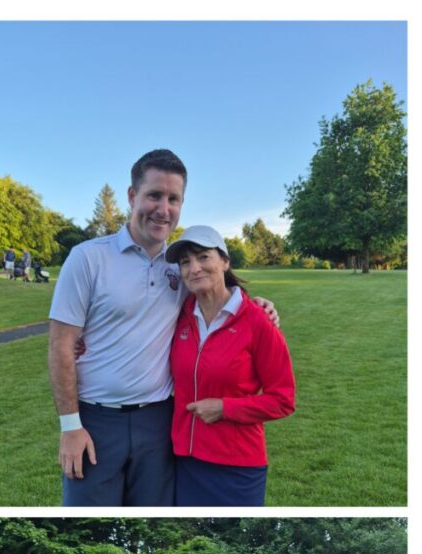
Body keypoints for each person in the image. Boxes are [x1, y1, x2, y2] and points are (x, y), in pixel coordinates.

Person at [48, 150, 280, 507]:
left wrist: (259, 304)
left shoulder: (179, 266)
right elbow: (61, 346)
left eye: (174, 199)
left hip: (160, 422)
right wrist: (69, 426)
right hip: (96, 421)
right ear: (132, 196)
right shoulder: (88, 258)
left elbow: (219, 292)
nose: (163, 209)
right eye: (154, 195)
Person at [165, 227, 296, 506]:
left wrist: (225, 408)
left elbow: (283, 400)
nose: (194, 268)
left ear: (224, 261)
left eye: (203, 257)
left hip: (237, 467)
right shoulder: (178, 316)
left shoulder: (258, 321)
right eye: (185, 262)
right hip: (185, 463)